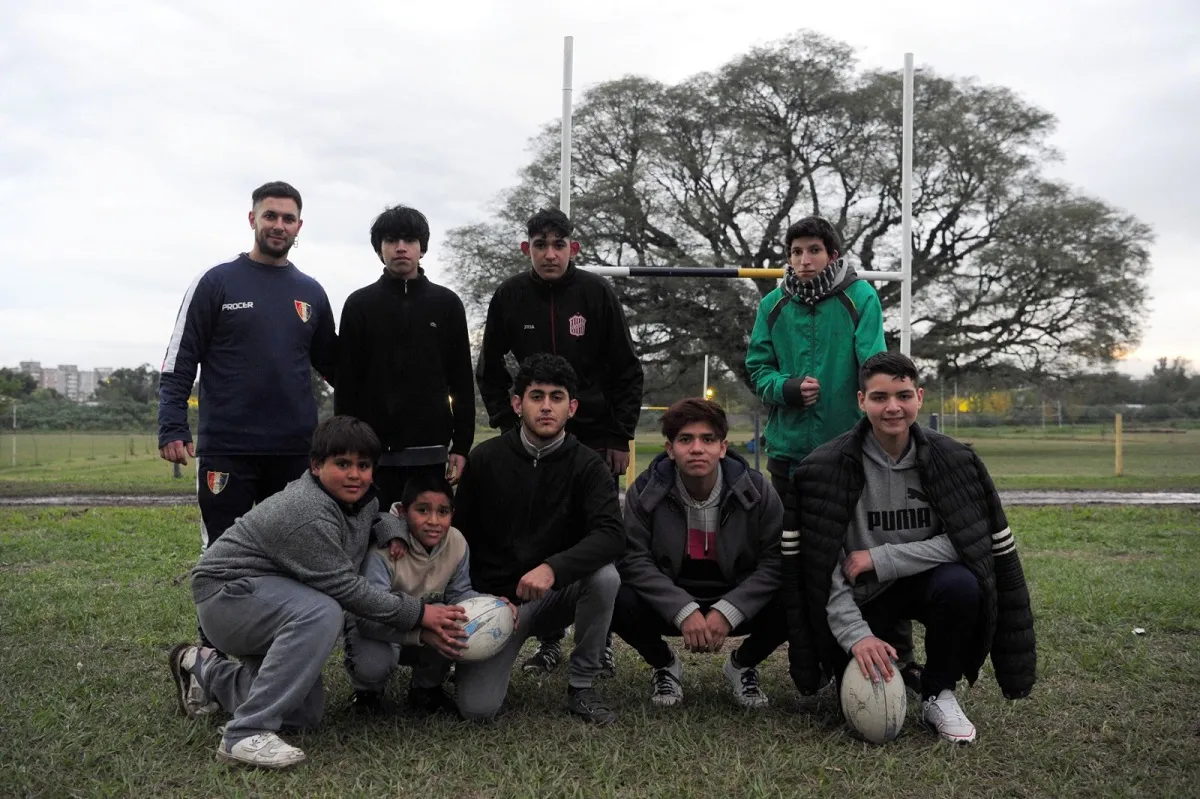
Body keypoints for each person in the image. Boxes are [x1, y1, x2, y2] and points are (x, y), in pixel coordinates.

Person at [166, 416, 468, 769]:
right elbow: (345, 588)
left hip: (272, 601)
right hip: (227, 597)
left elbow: (371, 518)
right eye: (342, 464)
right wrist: (419, 613)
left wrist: (391, 527)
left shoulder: (360, 499)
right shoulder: (308, 512)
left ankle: (204, 669)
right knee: (324, 609)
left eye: (363, 465)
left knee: (302, 713)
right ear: (315, 466)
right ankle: (244, 733)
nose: (354, 475)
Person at [784, 352, 1037, 744]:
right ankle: (887, 659)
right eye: (880, 397)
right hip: (860, 597)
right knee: (859, 691)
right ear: (861, 401)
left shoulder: (954, 460)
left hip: (919, 585)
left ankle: (939, 691)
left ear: (919, 397)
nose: (893, 408)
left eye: (903, 396)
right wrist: (856, 635)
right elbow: (821, 570)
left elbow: (970, 543)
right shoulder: (824, 468)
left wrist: (881, 558)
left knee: (961, 585)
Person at [475, 207, 643, 677]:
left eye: (559, 244)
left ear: (574, 248)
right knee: (537, 533)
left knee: (594, 538)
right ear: (525, 248)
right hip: (534, 435)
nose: (550, 254)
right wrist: (510, 430)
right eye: (540, 245)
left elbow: (627, 369)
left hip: (593, 436)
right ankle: (548, 640)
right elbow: (490, 371)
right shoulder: (509, 295)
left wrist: (620, 432)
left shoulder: (596, 292)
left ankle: (598, 642)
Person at [744, 215, 892, 692]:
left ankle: (880, 655)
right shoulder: (772, 304)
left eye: (812, 250)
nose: (803, 260)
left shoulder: (860, 297)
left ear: (831, 253)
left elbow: (873, 365)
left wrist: (864, 411)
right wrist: (784, 388)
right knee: (796, 561)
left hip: (847, 452)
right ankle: (809, 669)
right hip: (787, 454)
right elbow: (757, 367)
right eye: (795, 252)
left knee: (853, 555)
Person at [158, 181, 338, 550]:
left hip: (294, 449)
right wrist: (172, 424)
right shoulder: (215, 282)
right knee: (225, 551)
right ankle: (221, 608)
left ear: (299, 227)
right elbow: (181, 359)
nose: (279, 225)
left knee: (293, 551)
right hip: (228, 447)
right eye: (270, 215)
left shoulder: (312, 292)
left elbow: (335, 368)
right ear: (252, 218)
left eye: (288, 219)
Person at [453, 354, 624, 725]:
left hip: (555, 594)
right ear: (517, 403)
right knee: (477, 709)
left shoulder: (588, 464)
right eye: (536, 396)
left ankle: (582, 687)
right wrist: (482, 598)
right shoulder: (486, 459)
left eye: (557, 397)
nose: (546, 406)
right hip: (499, 603)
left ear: (572, 407)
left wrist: (552, 568)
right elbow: (460, 539)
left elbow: (612, 535)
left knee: (605, 576)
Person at [611, 398, 786, 709]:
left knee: (797, 591)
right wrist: (682, 609)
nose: (696, 449)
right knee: (611, 589)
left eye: (707, 439)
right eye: (685, 439)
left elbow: (775, 561)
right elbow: (633, 558)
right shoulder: (645, 490)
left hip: (735, 590)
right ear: (669, 448)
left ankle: (742, 664)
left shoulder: (757, 489)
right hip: (670, 594)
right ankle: (665, 665)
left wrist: (730, 609)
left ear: (722, 447)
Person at [342, 472, 516, 714]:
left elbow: (459, 593)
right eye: (422, 510)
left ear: (452, 515)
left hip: (426, 623)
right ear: (403, 512)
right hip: (379, 626)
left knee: (452, 622)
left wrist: (494, 604)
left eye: (443, 512)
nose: (434, 520)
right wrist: (421, 634)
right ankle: (367, 694)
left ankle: (426, 688)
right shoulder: (382, 552)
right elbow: (366, 616)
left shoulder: (456, 541)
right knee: (373, 665)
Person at [334, 205, 474, 505]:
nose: (400, 248)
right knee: (374, 542)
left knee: (426, 540)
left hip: (432, 455)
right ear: (379, 249)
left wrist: (461, 447)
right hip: (372, 457)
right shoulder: (359, 305)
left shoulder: (447, 304)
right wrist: (347, 450)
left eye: (409, 240)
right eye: (391, 240)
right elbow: (346, 384)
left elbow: (461, 381)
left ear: (421, 248)